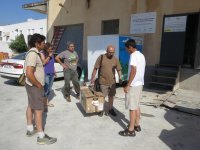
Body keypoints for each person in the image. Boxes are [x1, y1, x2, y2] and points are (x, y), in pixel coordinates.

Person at [25, 33, 57, 144]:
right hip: (35, 86)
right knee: (39, 110)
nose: (44, 44)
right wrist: (38, 85)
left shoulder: (34, 53)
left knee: (31, 106)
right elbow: (29, 73)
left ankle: (30, 129)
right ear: (36, 43)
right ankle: (41, 136)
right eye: (42, 43)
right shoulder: (33, 54)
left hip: (31, 85)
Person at [119, 39, 146, 137]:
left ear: (130, 47)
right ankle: (137, 125)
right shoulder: (141, 55)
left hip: (133, 85)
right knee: (137, 105)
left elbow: (133, 71)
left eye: (126, 49)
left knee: (132, 107)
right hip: (140, 84)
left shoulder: (133, 56)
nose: (126, 51)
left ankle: (131, 130)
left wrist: (128, 85)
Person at [91, 45, 122, 117]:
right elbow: (95, 68)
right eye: (110, 52)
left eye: (113, 52)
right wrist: (92, 79)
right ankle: (100, 109)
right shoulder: (101, 57)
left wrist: (120, 77)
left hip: (112, 82)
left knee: (111, 96)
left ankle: (110, 109)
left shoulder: (115, 59)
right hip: (103, 82)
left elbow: (119, 69)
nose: (111, 54)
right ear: (106, 51)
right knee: (102, 97)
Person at [40, 42, 55, 107]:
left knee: (49, 89)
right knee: (45, 89)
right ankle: (44, 103)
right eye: (49, 49)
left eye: (51, 49)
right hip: (46, 73)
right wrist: (49, 56)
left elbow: (52, 64)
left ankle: (46, 102)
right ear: (46, 49)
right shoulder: (42, 53)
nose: (50, 50)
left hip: (52, 73)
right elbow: (44, 63)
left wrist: (54, 71)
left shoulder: (52, 54)